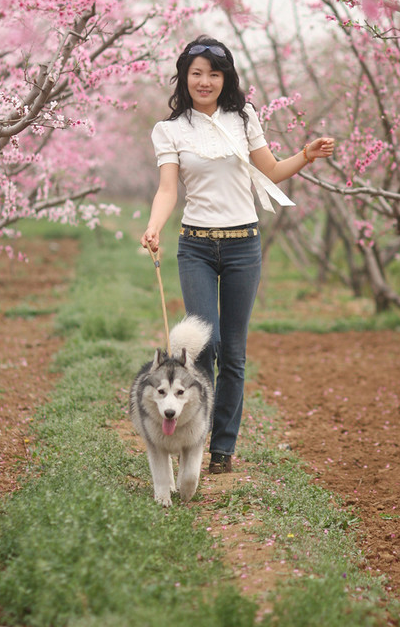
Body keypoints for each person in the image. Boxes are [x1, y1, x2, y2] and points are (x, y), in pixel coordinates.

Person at [140, 36, 334, 474]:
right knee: (204, 348)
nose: (204, 81)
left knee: (235, 353)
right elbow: (168, 189)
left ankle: (222, 449)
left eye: (213, 73)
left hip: (244, 244)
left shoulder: (243, 117)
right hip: (195, 247)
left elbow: (270, 170)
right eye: (196, 73)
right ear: (184, 77)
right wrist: (154, 226)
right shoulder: (170, 130)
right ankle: (193, 438)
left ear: (225, 77)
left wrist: (305, 155)